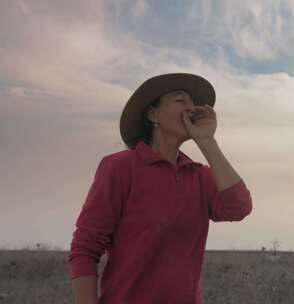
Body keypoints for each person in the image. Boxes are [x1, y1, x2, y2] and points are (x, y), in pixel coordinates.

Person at [68, 73, 253, 304]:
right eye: (180, 100)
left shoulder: (199, 175)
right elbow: (85, 247)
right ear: (153, 114)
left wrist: (207, 141)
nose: (190, 109)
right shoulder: (121, 167)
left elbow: (239, 208)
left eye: (192, 103)